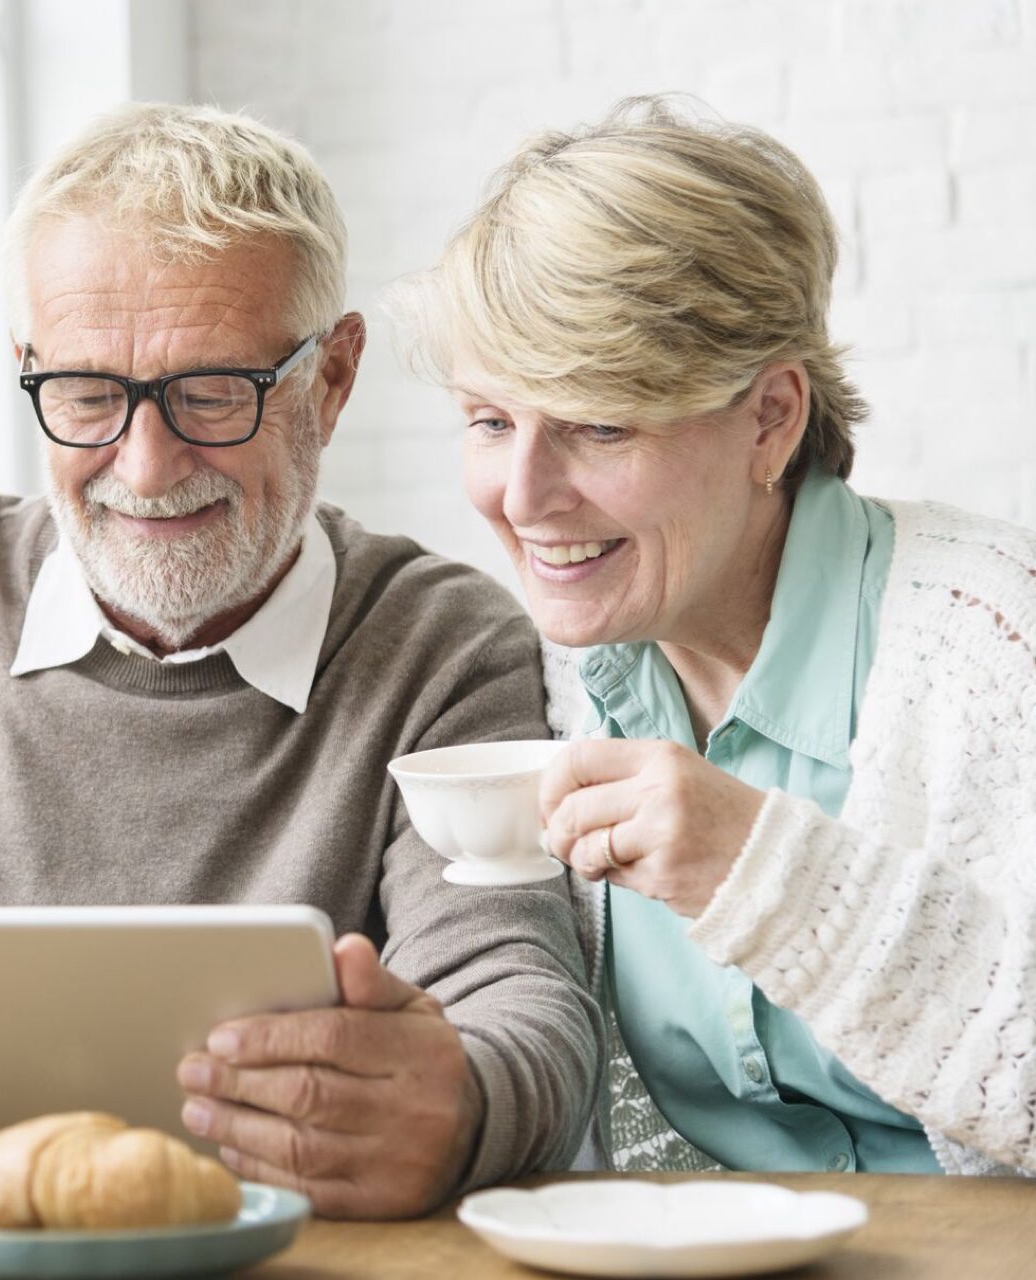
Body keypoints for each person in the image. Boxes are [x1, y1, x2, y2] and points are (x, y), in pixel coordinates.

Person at [0, 102, 602, 1218]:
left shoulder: (444, 644)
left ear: (330, 377)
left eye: (211, 392)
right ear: (27, 367)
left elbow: (521, 1008)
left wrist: (460, 1104)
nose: (143, 464)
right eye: (87, 394)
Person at [400, 94, 1036, 1176]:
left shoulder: (995, 647)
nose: (522, 495)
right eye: (491, 420)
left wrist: (769, 873)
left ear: (771, 417)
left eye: (600, 423)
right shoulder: (546, 685)